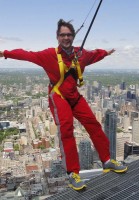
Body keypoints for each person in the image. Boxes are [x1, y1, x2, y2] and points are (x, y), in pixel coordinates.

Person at [0, 19, 128, 191]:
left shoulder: (80, 54)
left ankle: (107, 160)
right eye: (62, 35)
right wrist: (5, 53)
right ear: (57, 37)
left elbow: (93, 55)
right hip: (59, 96)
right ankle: (73, 173)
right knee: (66, 130)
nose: (66, 37)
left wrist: (105, 52)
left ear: (73, 36)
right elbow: (27, 54)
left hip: (74, 96)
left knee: (94, 125)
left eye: (69, 34)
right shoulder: (49, 55)